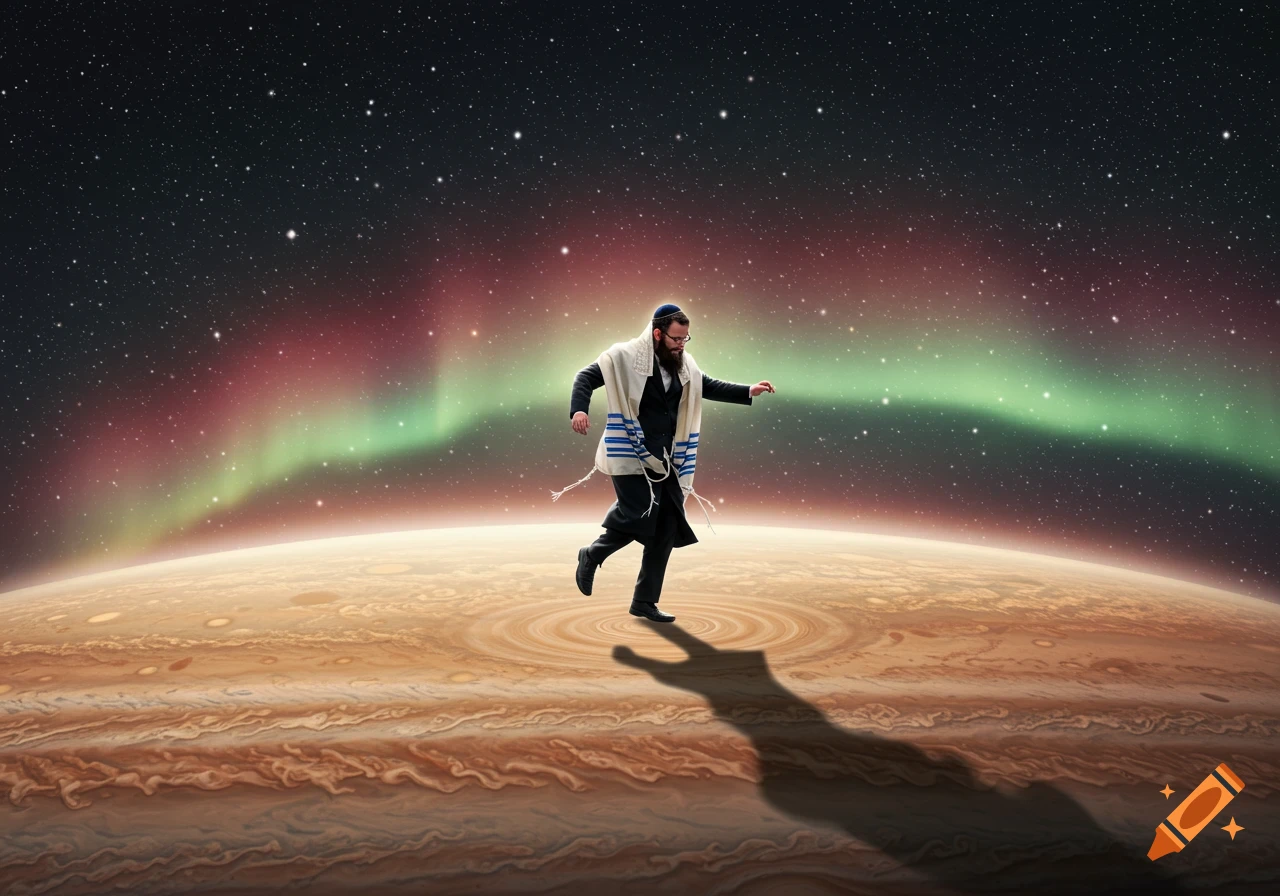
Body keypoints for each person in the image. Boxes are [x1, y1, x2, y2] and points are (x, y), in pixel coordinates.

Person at [553, 303, 775, 622]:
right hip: (628, 451)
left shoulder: (684, 366)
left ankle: (644, 601)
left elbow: (706, 385)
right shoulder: (624, 357)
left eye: (686, 339)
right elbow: (585, 377)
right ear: (658, 334)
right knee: (641, 512)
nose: (681, 345)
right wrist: (579, 409)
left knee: (667, 525)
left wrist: (747, 391)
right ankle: (592, 554)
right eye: (676, 339)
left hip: (665, 458)